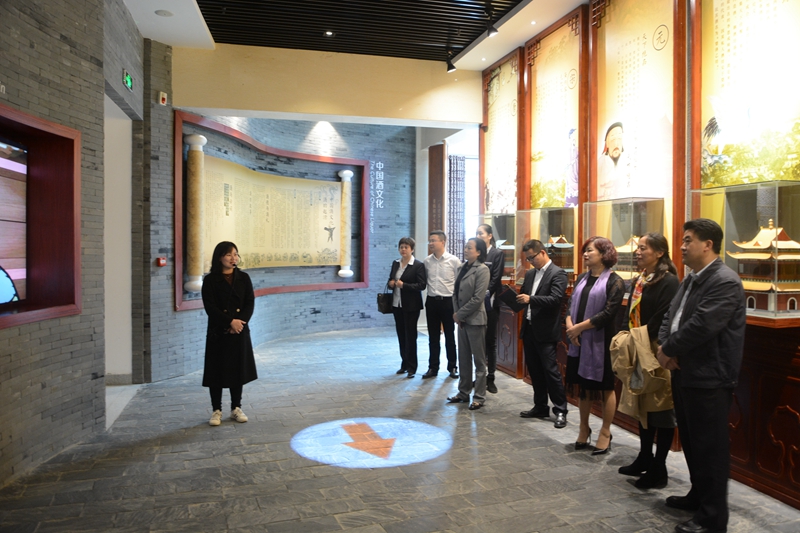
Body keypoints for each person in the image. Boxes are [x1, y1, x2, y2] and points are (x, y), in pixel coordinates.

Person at [657, 219, 746, 533]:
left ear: (708, 245)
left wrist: (669, 349)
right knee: (693, 442)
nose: (681, 246)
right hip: (685, 372)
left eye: (688, 240)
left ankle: (712, 518)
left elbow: (703, 325)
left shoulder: (724, 281)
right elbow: (671, 316)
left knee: (710, 448)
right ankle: (698, 495)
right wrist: (665, 344)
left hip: (710, 376)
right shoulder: (692, 279)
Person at [616, 233, 680, 488]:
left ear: (659, 252)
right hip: (637, 343)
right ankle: (644, 456)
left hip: (655, 348)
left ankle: (659, 467)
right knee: (642, 405)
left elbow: (662, 318)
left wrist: (638, 338)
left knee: (661, 408)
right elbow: (629, 311)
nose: (638, 252)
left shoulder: (670, 281)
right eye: (638, 248)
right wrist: (625, 335)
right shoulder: (641, 279)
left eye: (643, 248)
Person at [565, 236, 625, 454]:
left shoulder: (615, 281)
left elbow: (608, 313)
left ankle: (605, 432)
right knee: (584, 388)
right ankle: (584, 428)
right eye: (585, 251)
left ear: (604, 254)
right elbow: (570, 305)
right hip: (579, 341)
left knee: (606, 387)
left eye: (590, 250)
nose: (585, 254)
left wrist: (579, 328)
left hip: (601, 342)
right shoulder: (582, 278)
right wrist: (571, 326)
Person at [202, 241, 258, 427]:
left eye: (235, 254)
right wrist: (229, 322)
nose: (233, 258)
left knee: (237, 369)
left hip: (239, 330)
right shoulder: (210, 280)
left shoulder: (244, 278)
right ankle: (216, 410)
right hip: (219, 331)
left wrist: (239, 322)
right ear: (219, 257)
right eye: (229, 255)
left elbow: (250, 302)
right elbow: (210, 307)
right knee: (216, 371)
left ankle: (236, 407)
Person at [516, 239, 569, 428]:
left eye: (532, 257)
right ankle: (540, 406)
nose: (531, 262)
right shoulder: (531, 273)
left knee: (550, 371)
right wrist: (513, 299)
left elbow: (555, 299)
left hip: (546, 331)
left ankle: (560, 410)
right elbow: (524, 295)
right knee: (535, 371)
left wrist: (531, 299)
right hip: (529, 328)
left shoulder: (558, 273)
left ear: (543, 253)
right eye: (528, 259)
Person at [447, 238, 491, 410]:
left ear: (478, 252)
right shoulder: (461, 268)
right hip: (462, 321)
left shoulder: (482, 270)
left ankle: (479, 396)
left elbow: (478, 298)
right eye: (465, 247)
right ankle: (463, 392)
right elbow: (455, 293)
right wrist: (457, 314)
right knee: (463, 358)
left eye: (469, 248)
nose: (466, 250)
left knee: (479, 361)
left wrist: (460, 314)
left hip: (475, 320)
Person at [422, 230, 462, 380]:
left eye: (433, 240)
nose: (431, 243)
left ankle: (452, 367)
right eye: (430, 241)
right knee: (433, 337)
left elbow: (459, 283)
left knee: (450, 336)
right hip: (432, 301)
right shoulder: (427, 261)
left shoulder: (454, 261)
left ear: (443, 242)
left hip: (448, 302)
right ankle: (433, 368)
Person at [388, 237, 427, 379]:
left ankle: (412, 367)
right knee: (401, 335)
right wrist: (391, 283)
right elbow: (390, 280)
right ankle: (404, 363)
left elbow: (422, 285)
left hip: (411, 305)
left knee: (410, 336)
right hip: (396, 304)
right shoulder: (396, 263)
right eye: (401, 247)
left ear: (412, 249)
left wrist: (404, 285)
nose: (403, 249)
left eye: (406, 247)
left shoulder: (418, 265)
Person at [476, 224, 504, 393]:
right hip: (477, 304)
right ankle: (479, 376)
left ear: (490, 236)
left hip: (491, 302)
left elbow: (496, 277)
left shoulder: (497, 253)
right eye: (477, 233)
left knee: (490, 341)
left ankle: (491, 377)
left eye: (481, 233)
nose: (478, 236)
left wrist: (484, 293)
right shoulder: (477, 254)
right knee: (478, 342)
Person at [597, 122, 631, 200]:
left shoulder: (626, 160)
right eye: (612, 140)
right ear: (607, 143)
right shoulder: (601, 162)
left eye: (619, 139)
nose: (616, 144)